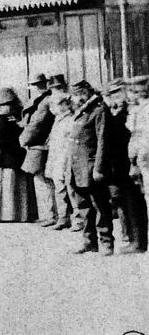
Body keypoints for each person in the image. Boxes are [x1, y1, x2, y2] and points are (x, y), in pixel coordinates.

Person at [67, 80, 114, 255]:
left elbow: (103, 141)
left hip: (91, 167)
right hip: (78, 167)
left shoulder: (99, 110)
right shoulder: (81, 111)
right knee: (84, 206)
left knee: (100, 205)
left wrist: (98, 168)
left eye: (79, 94)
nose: (76, 98)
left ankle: (107, 242)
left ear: (87, 92)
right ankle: (89, 242)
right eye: (74, 95)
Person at [0, 88, 38, 223]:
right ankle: (16, 214)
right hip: (13, 153)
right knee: (11, 182)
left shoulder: (4, 116)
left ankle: (5, 214)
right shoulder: (17, 114)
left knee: (4, 182)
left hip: (4, 153)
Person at [104, 80, 147, 254]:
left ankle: (138, 241)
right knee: (127, 202)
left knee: (134, 203)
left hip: (129, 163)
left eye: (117, 93)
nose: (115, 97)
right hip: (122, 164)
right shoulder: (119, 111)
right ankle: (133, 237)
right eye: (111, 94)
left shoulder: (130, 112)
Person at [19, 73, 57, 227]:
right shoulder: (40, 100)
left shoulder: (45, 101)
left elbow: (37, 124)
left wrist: (23, 139)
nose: (37, 88)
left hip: (40, 144)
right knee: (42, 179)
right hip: (38, 143)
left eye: (38, 85)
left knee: (42, 180)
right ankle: (49, 214)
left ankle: (50, 215)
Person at [44, 95, 77, 230]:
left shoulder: (70, 120)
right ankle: (63, 217)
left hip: (64, 158)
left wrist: (64, 161)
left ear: (65, 105)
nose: (52, 109)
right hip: (55, 158)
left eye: (55, 105)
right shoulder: (58, 120)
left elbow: (68, 142)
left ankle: (77, 218)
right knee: (59, 188)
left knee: (70, 188)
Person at [127, 76, 149, 244]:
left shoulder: (145, 110)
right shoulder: (138, 109)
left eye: (132, 91)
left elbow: (142, 138)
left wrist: (137, 159)